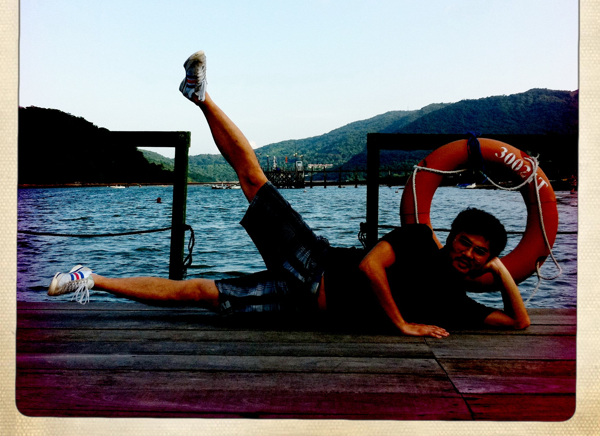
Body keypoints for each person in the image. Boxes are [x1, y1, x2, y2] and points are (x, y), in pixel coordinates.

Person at [47, 51, 530, 338]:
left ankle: (92, 278)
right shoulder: (419, 239)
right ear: (452, 235)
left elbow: (519, 324)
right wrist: (402, 324)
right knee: (254, 180)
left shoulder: (454, 302)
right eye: (466, 243)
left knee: (199, 293)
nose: (468, 254)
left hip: (297, 305)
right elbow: (369, 267)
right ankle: (201, 96)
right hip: (315, 262)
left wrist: (503, 270)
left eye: (480, 253)